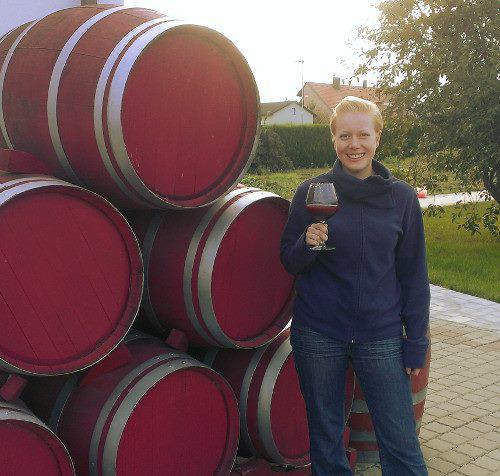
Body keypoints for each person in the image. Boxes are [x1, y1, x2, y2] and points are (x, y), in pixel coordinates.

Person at [280, 96, 429, 475]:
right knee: (326, 438)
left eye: (363, 134)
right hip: (318, 333)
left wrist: (416, 343)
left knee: (401, 443)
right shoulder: (312, 191)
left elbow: (414, 275)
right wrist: (308, 245)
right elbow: (290, 260)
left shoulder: (401, 198)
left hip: (379, 335)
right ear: (333, 140)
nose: (354, 144)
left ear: (378, 138)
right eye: (345, 135)